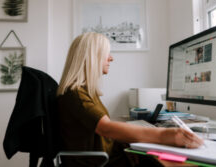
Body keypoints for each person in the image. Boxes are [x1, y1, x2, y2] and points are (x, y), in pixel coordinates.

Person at [57, 32, 203, 167]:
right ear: (92, 56)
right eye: (106, 53)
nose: (111, 58)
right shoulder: (75, 95)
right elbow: (106, 128)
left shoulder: (84, 92)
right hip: (100, 162)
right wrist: (167, 134)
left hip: (107, 156)